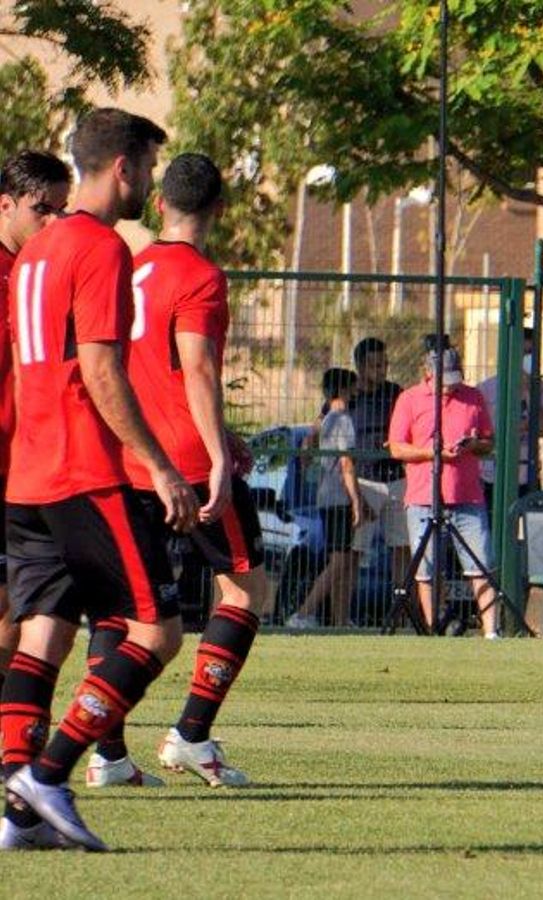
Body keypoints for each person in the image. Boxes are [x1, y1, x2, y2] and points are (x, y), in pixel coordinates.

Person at [0, 108, 200, 852]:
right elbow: (100, 368)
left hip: (27, 475)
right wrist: (157, 463)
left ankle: (19, 818)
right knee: (157, 630)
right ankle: (48, 775)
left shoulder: (35, 249)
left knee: (43, 636)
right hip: (83, 471)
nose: (150, 182)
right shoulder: (101, 248)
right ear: (124, 167)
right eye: (147, 167)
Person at [86, 152, 266, 791]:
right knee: (246, 590)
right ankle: (191, 735)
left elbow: (139, 370)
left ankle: (107, 754)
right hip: (186, 461)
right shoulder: (201, 276)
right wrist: (219, 455)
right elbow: (195, 369)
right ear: (219, 209)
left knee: (120, 607)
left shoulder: (132, 267)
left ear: (159, 204)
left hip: (129, 456)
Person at [0, 150, 72, 743]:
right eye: (39, 209)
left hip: (28, 471)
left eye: (60, 211)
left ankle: (16, 731)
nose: (52, 222)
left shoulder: (42, 275)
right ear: (5, 205)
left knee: (26, 614)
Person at [387, 347, 499, 638]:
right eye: (444, 380)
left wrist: (472, 446)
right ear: (428, 374)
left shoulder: (473, 396)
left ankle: (491, 632)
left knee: (481, 565)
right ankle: (434, 628)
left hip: (468, 497)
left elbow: (489, 442)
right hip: (424, 498)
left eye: (454, 378)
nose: (451, 386)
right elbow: (397, 447)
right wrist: (431, 453)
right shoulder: (409, 400)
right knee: (427, 570)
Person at [289, 368, 365, 629]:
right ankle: (303, 613)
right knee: (340, 559)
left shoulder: (324, 419)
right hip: (338, 497)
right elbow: (346, 462)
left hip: (326, 496)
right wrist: (356, 499)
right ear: (345, 389)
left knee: (339, 557)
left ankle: (340, 621)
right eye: (353, 387)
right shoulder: (342, 420)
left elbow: (306, 447)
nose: (356, 392)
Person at [349, 337, 408, 594]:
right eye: (375, 365)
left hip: (396, 480)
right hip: (363, 483)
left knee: (403, 549)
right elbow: (324, 426)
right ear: (360, 367)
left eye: (384, 364)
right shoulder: (348, 395)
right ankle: (341, 621)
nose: (381, 370)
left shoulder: (396, 393)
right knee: (352, 552)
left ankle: (405, 615)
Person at [478, 326, 543, 507]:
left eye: (530, 353)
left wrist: (530, 391)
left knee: (531, 525)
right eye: (522, 354)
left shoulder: (542, 388)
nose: (525, 359)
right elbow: (484, 432)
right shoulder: (486, 389)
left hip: (527, 472)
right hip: (494, 474)